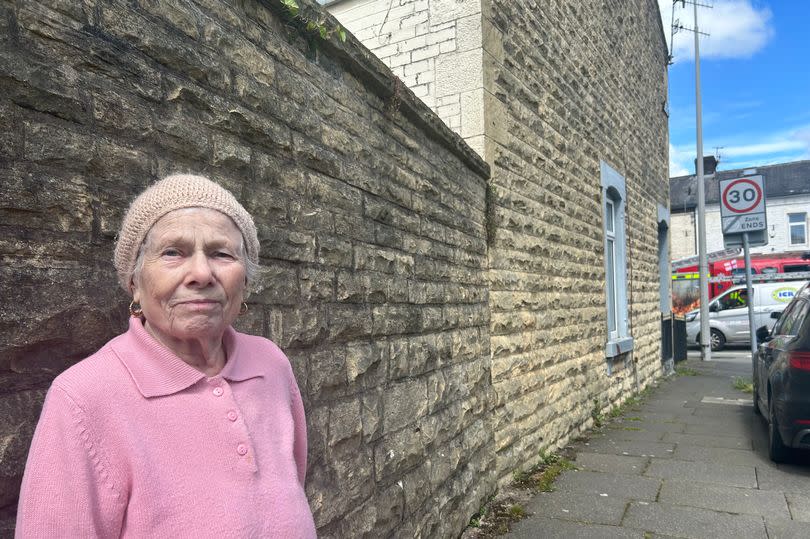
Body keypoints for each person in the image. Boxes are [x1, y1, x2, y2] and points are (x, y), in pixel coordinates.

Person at [16, 174, 317, 538]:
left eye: (222, 254)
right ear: (134, 282)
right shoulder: (83, 399)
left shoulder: (271, 365)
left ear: (245, 281)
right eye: (173, 252)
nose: (202, 273)